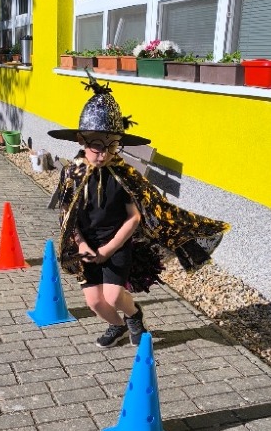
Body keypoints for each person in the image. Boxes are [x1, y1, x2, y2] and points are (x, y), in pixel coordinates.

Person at [49, 75, 229, 348]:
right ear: (81, 140)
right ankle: (118, 326)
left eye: (112, 145)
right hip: (85, 244)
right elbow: (67, 216)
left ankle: (134, 315)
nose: (104, 154)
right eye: (97, 145)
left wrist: (108, 250)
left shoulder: (124, 176)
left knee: (112, 296)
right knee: (95, 303)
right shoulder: (72, 174)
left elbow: (134, 217)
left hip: (117, 244)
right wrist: (82, 244)